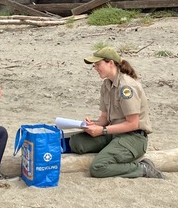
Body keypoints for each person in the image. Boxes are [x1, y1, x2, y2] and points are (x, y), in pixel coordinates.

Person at [69, 47, 163, 179]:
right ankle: (111, 150)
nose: (95, 67)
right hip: (114, 133)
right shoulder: (106, 85)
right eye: (94, 65)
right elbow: (104, 118)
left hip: (133, 138)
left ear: (111, 63)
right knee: (76, 142)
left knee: (98, 167)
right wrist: (92, 124)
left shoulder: (126, 87)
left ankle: (143, 168)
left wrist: (102, 131)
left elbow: (133, 124)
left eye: (98, 64)